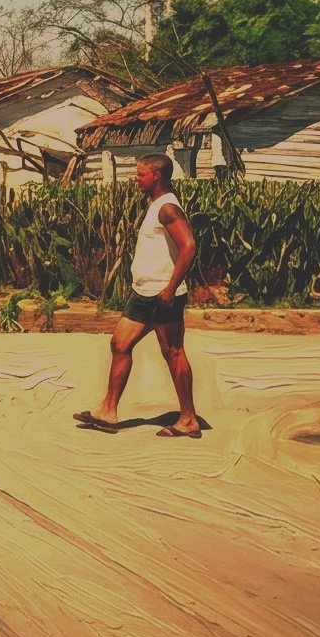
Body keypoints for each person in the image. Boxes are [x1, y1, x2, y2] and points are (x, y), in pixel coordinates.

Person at [74, 153, 204, 439]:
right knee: (120, 344)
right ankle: (107, 411)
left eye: (140, 174)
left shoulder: (168, 208)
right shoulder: (156, 204)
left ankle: (189, 419)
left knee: (173, 352)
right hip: (143, 293)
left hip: (162, 294)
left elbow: (189, 246)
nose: (136, 179)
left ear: (156, 176)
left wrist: (170, 288)